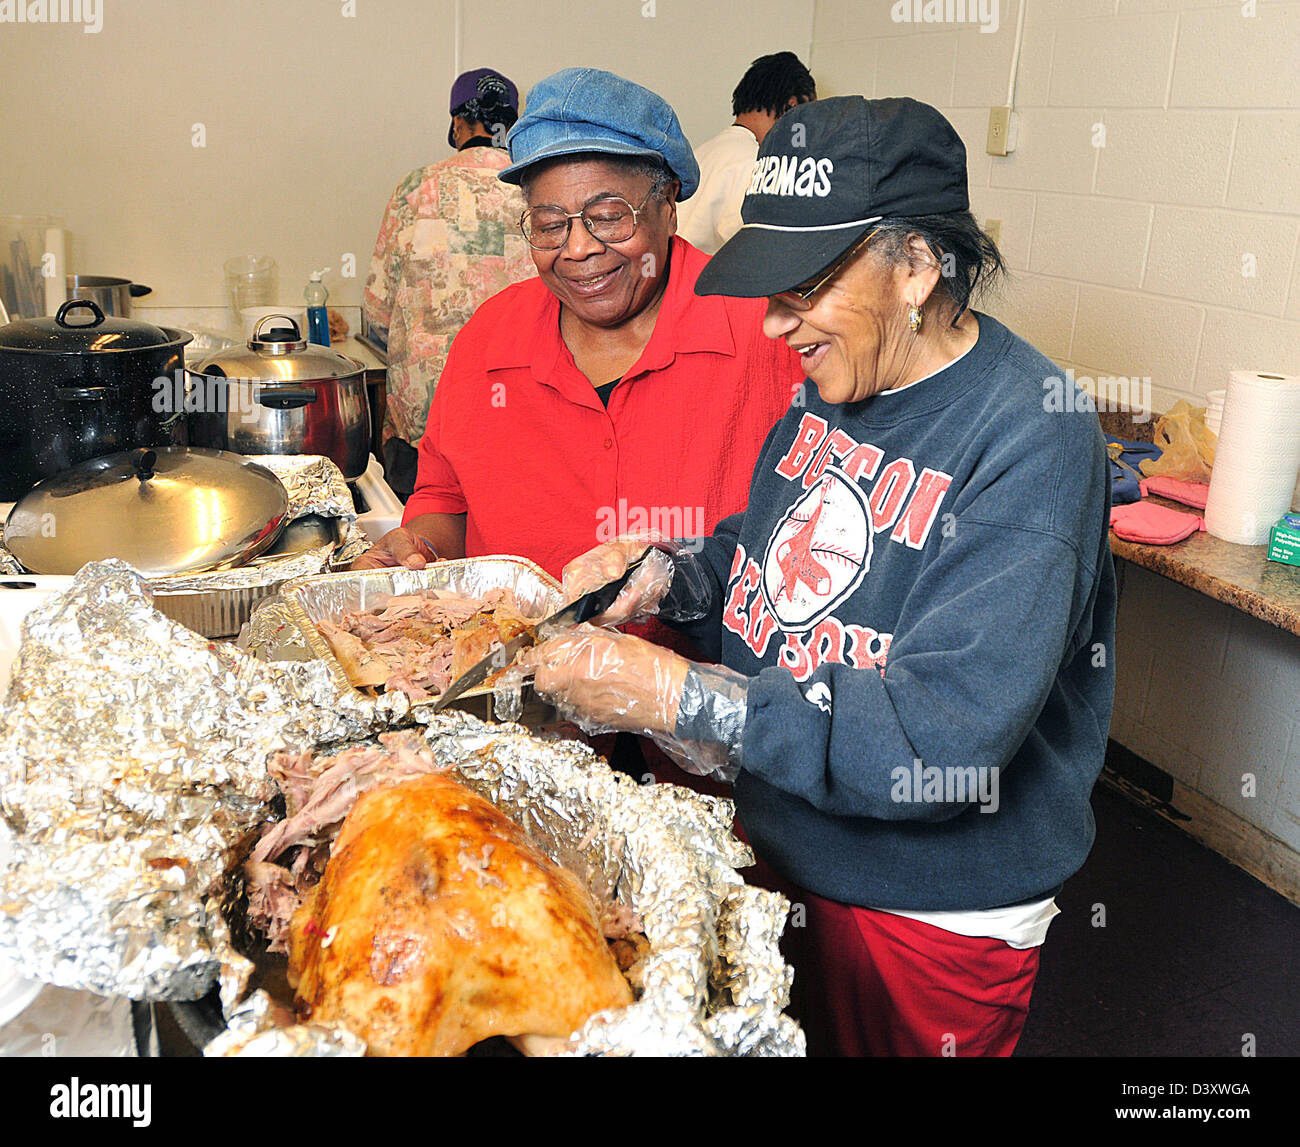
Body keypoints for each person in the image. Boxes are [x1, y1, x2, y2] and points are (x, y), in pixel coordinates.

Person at [522, 96, 1117, 1057]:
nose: (772, 327)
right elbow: (768, 555)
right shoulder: (837, 386)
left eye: (804, 290)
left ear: (917, 267)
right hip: (790, 841)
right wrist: (669, 576)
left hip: (921, 908)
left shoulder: (1030, 437)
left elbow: (938, 739)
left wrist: (680, 696)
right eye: (771, 291)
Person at [354, 67, 803, 605]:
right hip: (517, 674)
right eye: (548, 225)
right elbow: (446, 496)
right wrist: (417, 549)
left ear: (668, 206)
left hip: (703, 683)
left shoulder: (772, 334)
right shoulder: (490, 340)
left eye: (609, 217)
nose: (577, 250)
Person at [362, 67, 535, 499]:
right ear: (511, 125)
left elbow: (376, 310)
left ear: (458, 122)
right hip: (516, 408)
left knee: (420, 541)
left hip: (425, 415)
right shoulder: (533, 189)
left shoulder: (415, 189)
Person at [676, 51, 816, 255]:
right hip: (704, 282)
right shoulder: (757, 164)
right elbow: (753, 250)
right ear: (791, 106)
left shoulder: (702, 152)